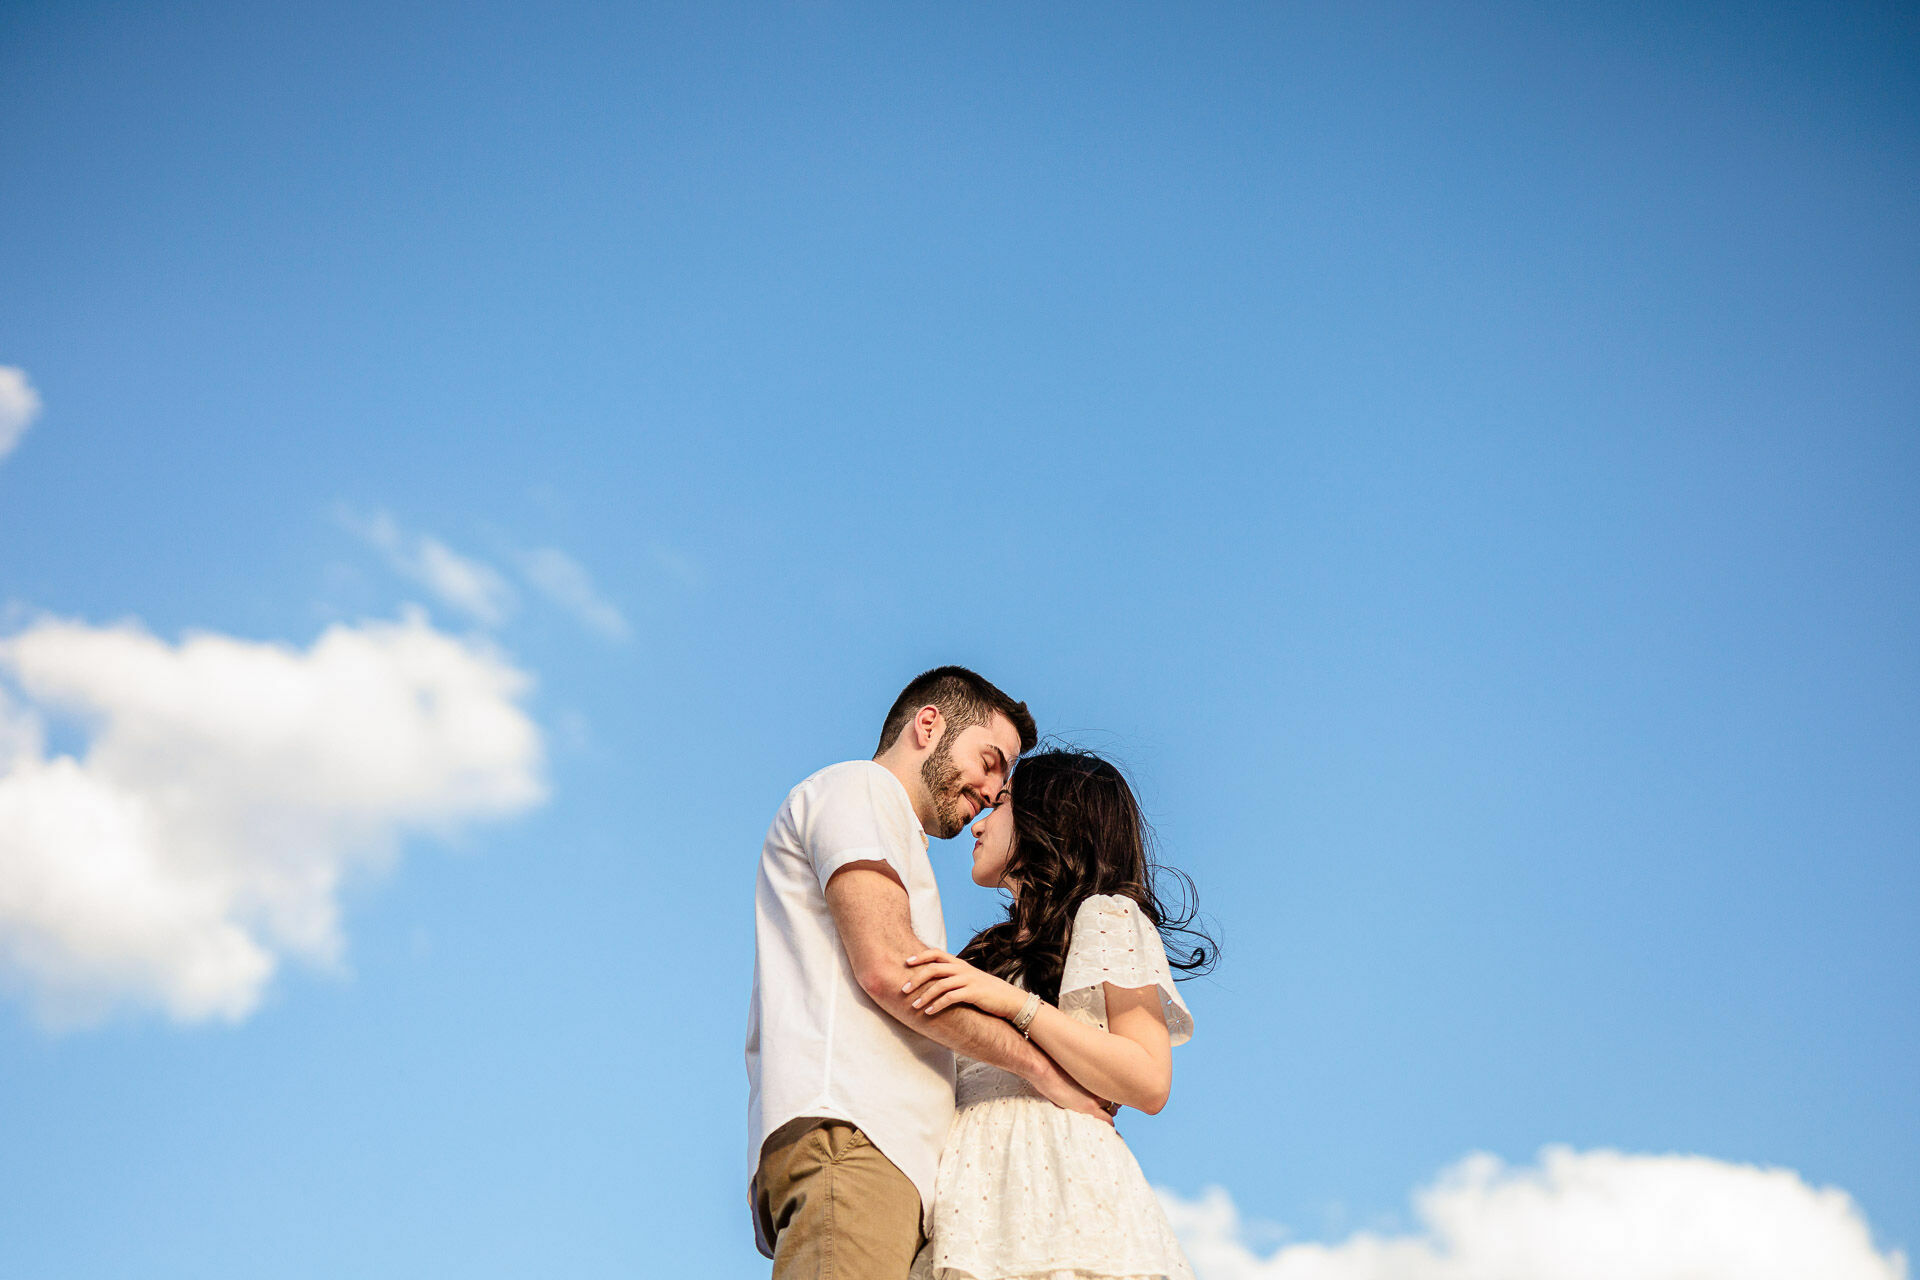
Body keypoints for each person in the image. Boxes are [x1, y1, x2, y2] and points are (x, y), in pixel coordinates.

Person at [747, 668, 1113, 1280]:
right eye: (990, 761)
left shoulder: (891, 830)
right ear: (928, 725)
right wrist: (1043, 1071)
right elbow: (893, 970)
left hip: (874, 1151)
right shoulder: (861, 789)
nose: (994, 791)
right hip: (853, 1136)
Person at [898, 748, 1215, 1280]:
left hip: (1059, 1189)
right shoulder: (988, 952)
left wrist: (1015, 1005)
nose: (979, 821)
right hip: (970, 1199)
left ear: (1049, 822)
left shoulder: (1106, 914)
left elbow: (1148, 1079)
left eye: (1001, 804)